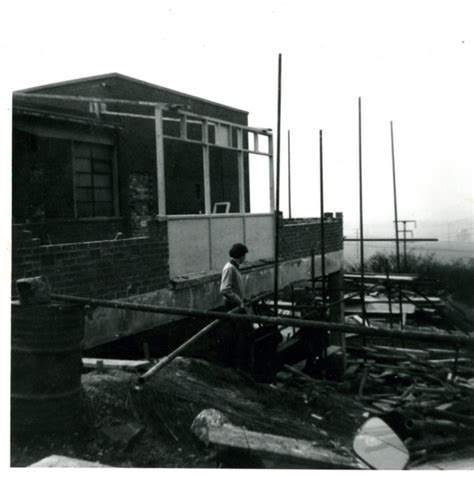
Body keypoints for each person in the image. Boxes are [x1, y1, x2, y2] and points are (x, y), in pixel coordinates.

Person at [220, 243, 254, 370]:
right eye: (244, 255)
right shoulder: (230, 268)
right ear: (241, 255)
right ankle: (239, 365)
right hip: (233, 306)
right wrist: (239, 301)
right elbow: (225, 289)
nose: (245, 258)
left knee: (244, 333)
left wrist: (244, 299)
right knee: (242, 334)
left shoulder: (234, 267)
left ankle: (241, 364)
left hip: (238, 305)